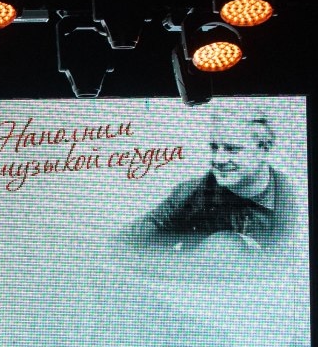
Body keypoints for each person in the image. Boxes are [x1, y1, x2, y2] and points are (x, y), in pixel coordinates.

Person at [121, 108, 298, 252]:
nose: (217, 159)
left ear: (264, 149)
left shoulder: (292, 201)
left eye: (232, 149)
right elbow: (128, 240)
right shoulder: (193, 192)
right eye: (214, 147)